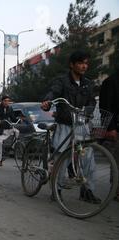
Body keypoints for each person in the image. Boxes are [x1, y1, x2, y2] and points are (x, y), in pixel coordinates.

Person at [42, 50, 100, 204]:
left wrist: (87, 110)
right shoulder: (61, 81)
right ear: (72, 65)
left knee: (88, 158)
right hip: (65, 124)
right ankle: (57, 189)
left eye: (86, 63)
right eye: (81, 63)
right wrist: (47, 102)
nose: (84, 66)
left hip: (81, 124)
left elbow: (92, 102)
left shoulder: (88, 83)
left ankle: (87, 191)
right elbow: (52, 93)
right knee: (62, 156)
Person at [100, 70, 119, 201]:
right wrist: (110, 127)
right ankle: (116, 190)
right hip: (116, 128)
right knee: (117, 161)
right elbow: (105, 107)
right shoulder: (111, 82)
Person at [0, 95, 20, 168]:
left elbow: (13, 118)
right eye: (5, 101)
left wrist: (19, 119)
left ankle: (13, 147)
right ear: (2, 101)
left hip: (6, 128)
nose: (7, 102)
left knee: (17, 131)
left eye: (8, 101)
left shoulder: (9, 108)